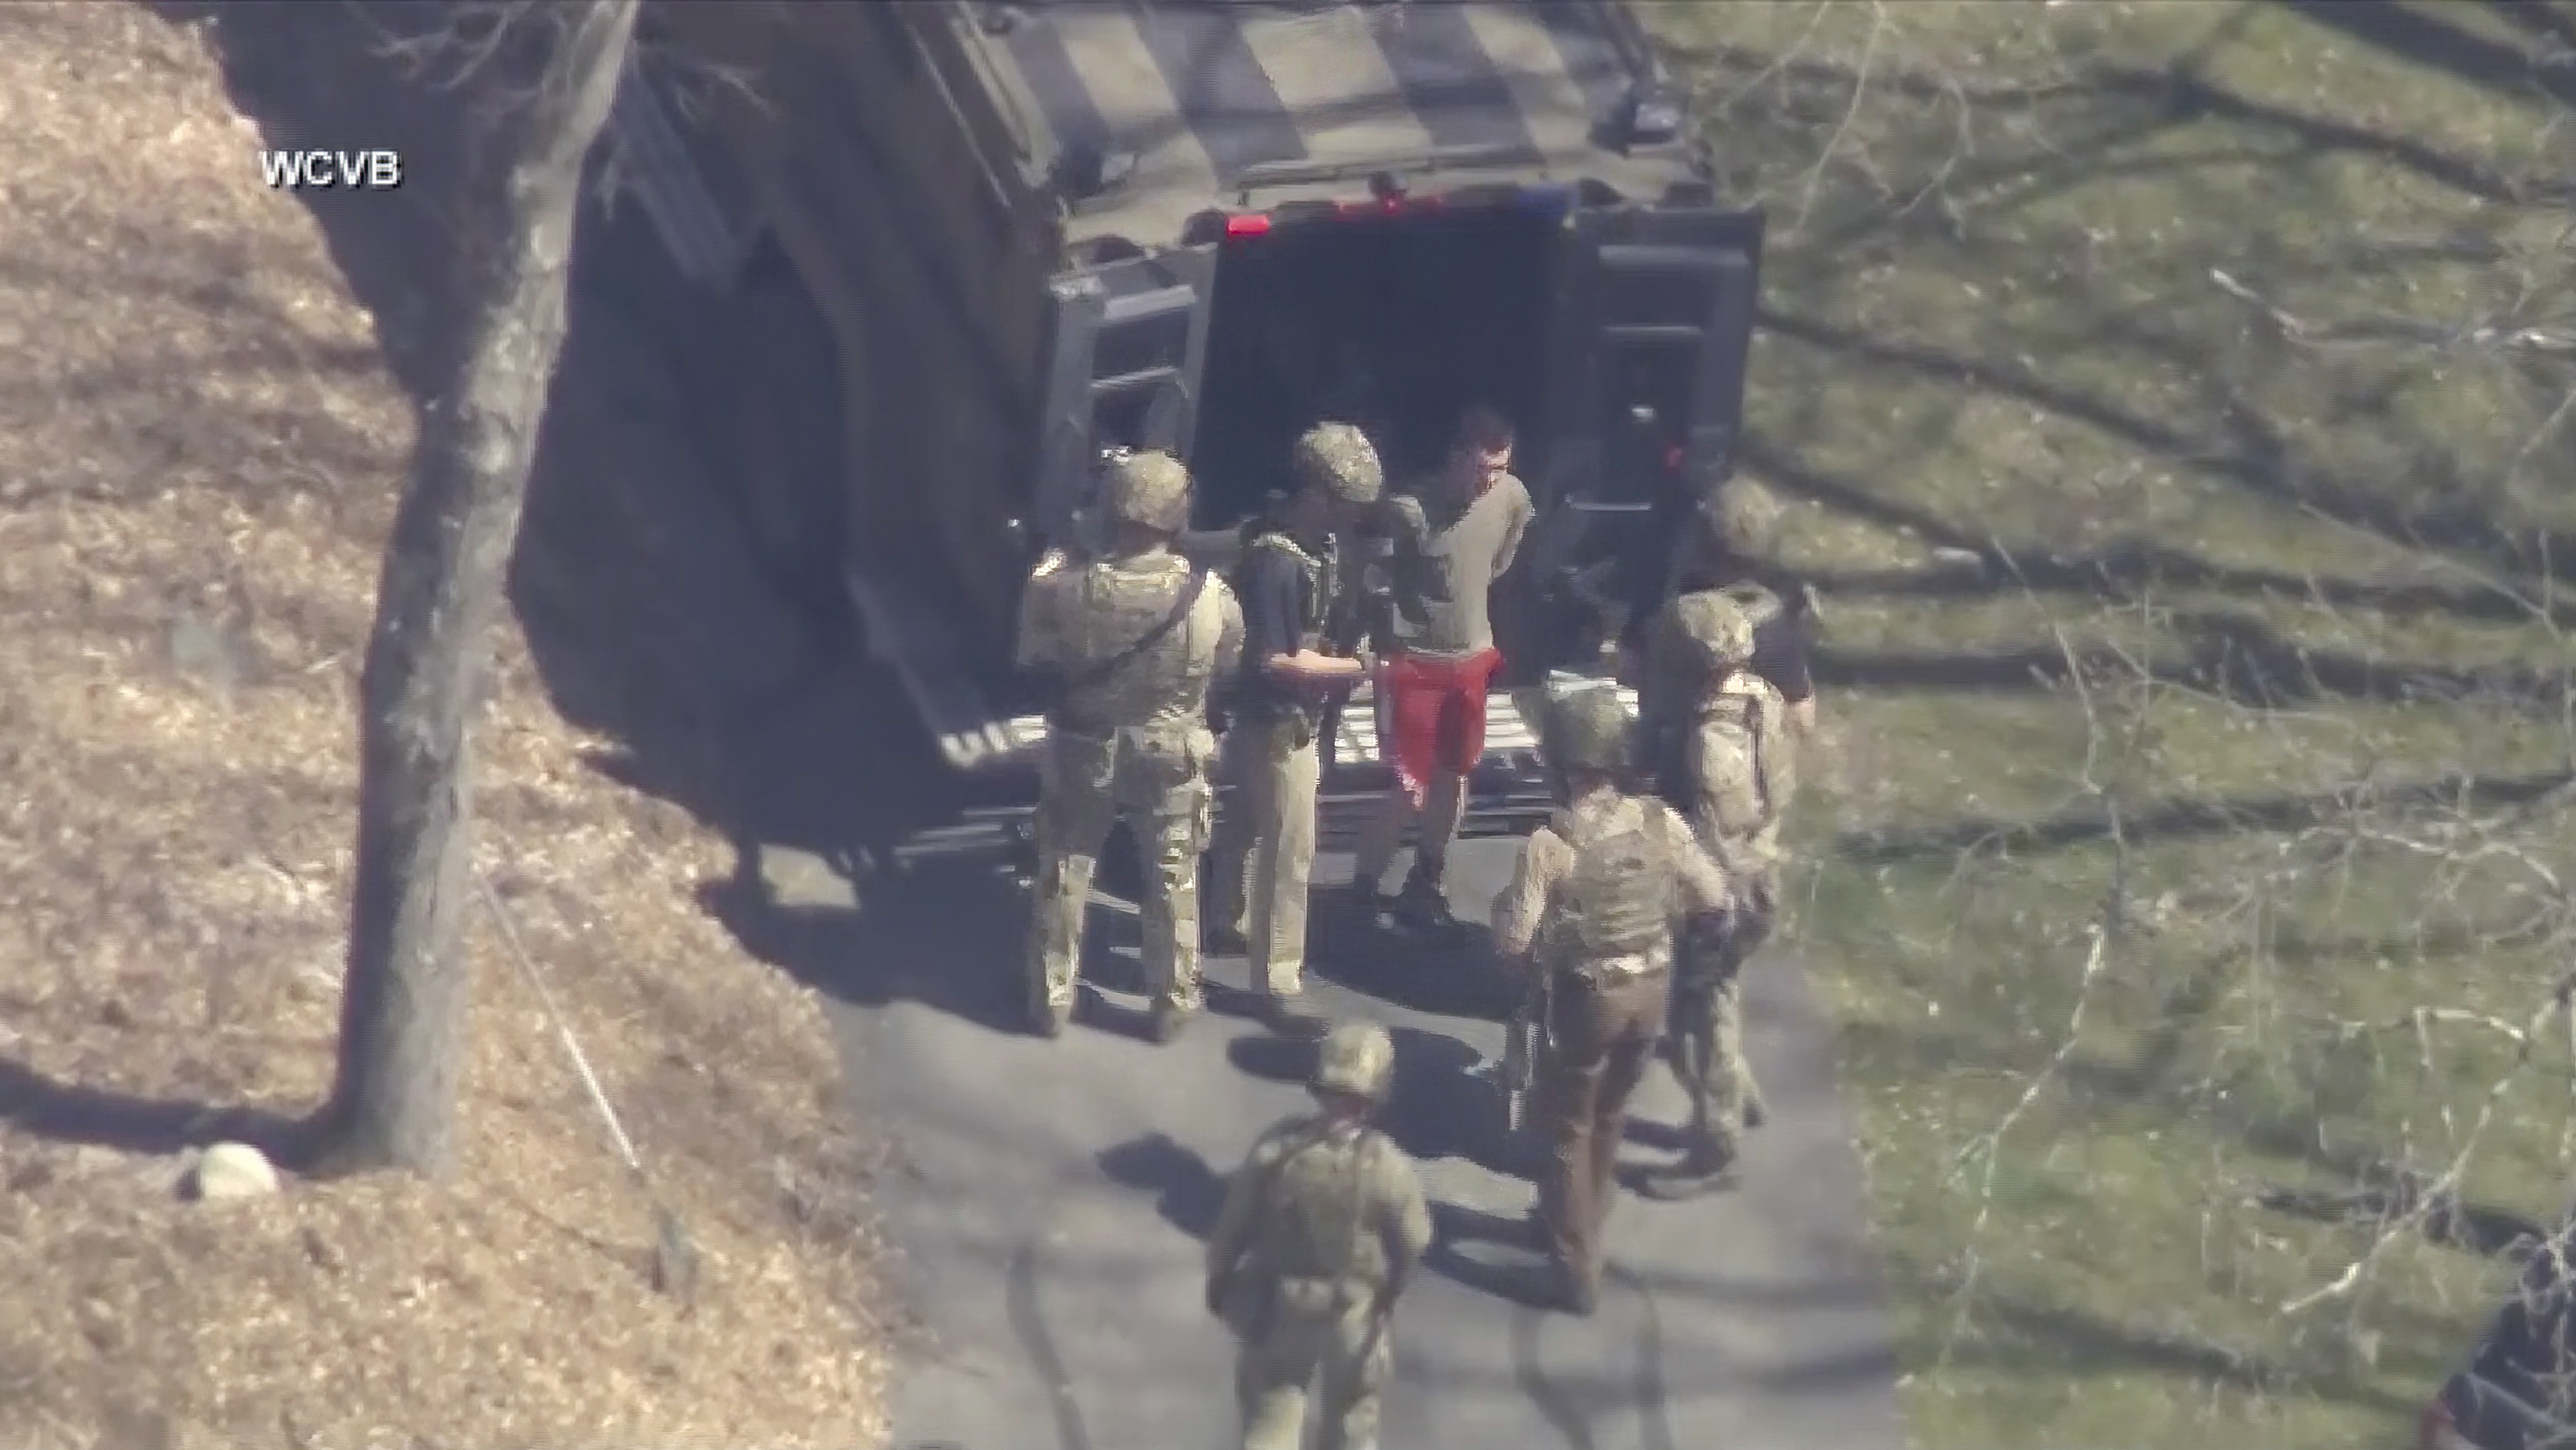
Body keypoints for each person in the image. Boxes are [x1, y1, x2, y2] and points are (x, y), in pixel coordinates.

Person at [1490, 687, 1734, 1314]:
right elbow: (1712, 898)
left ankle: (1574, 1264)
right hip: (1651, 990)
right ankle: (1585, 1223)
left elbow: (1514, 942)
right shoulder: (1660, 823)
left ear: (1565, 764)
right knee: (1612, 1114)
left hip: (1587, 997)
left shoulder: (1551, 844)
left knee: (1566, 1126)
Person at [1016, 450, 1243, 1042]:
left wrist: (1047, 571)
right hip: (1172, 749)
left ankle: (1051, 1000)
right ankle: (1171, 1003)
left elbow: (1032, 654)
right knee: (1173, 876)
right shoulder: (1209, 594)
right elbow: (1229, 661)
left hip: (1084, 746)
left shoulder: (1065, 588)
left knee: (1066, 869)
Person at [1207, 423, 1384, 1037]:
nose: (1352, 519)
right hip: (1278, 719)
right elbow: (1278, 660)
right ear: (1318, 496)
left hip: (1283, 717)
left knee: (1249, 824)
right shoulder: (1276, 563)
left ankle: (1228, 918)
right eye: (1345, 506)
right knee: (1290, 850)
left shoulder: (1317, 551)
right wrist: (1360, 668)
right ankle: (1277, 979)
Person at [1205, 1019, 1433, 1450]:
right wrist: (1391, 1292)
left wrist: (1219, 1279)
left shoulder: (1278, 1148)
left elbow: (1233, 1224)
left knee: (1271, 1408)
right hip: (1353, 1312)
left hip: (1282, 1303)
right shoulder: (1388, 1167)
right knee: (1352, 1420)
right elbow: (1414, 1242)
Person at [1348, 403, 1535, 928]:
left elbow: (1501, 561)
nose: (1490, 481)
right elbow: (1373, 582)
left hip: (1472, 660)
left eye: (1499, 469)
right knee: (1410, 785)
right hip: (1415, 664)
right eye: (1480, 469)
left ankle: (1427, 877)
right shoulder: (1410, 511)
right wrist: (1376, 653)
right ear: (1455, 459)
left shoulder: (1512, 498)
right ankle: (1364, 884)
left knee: (1456, 775)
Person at [1638, 591, 1796, 1198]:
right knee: (1722, 998)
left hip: (1726, 893)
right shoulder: (1763, 699)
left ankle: (1716, 1146)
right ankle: (1740, 1099)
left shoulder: (1713, 737)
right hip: (1761, 870)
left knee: (1695, 1025)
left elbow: (1715, 832)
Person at [1634, 480, 1819, 744]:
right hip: (1746, 771)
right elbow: (1802, 721)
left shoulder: (1672, 614)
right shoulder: (1774, 628)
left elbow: (1638, 682)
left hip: (1670, 765)